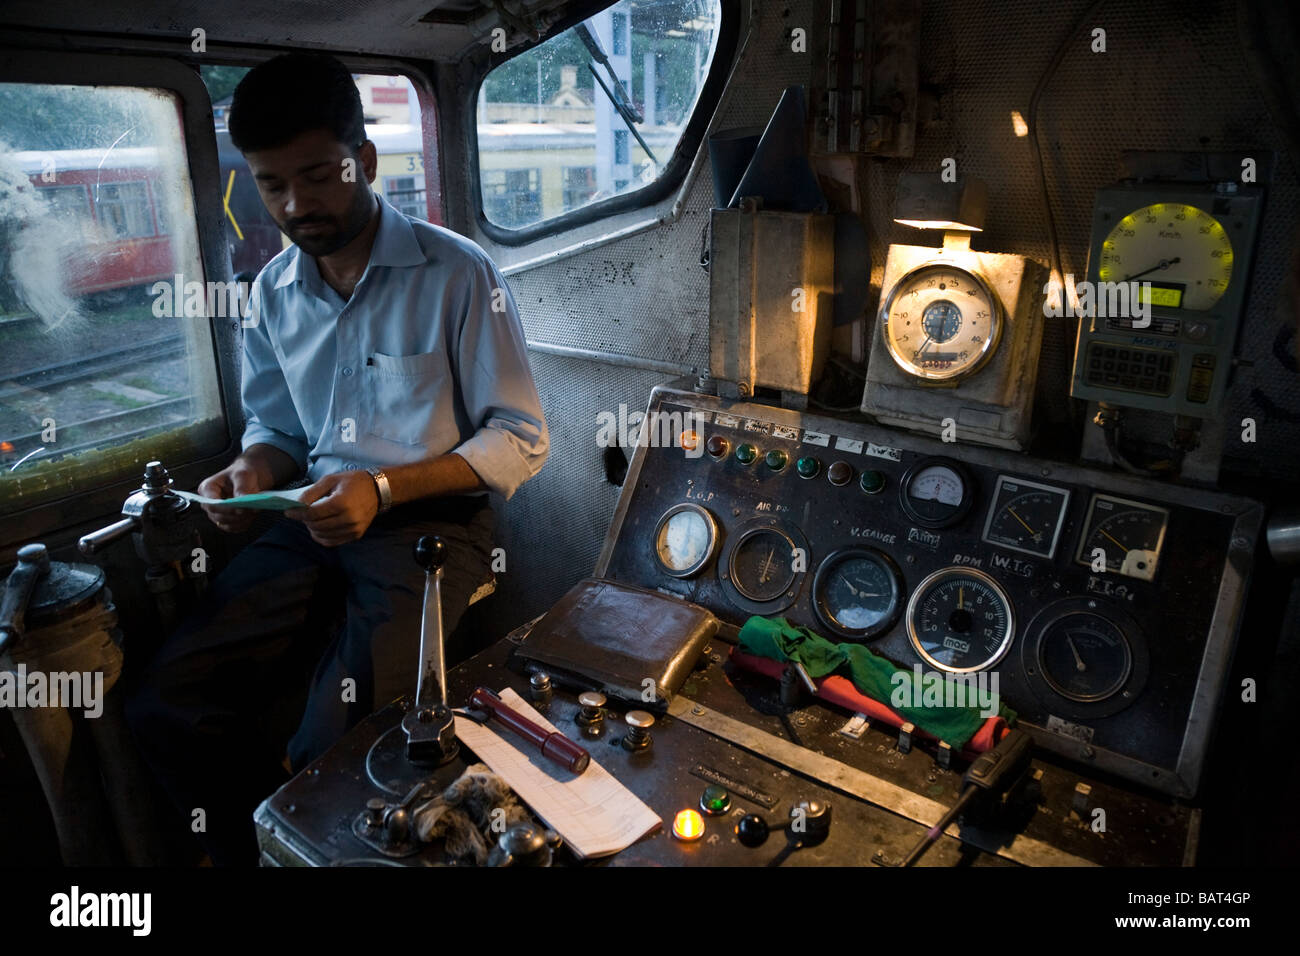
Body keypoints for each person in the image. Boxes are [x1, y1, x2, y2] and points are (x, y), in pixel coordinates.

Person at [126, 52, 548, 865]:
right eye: (271, 183)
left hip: (433, 524)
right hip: (310, 517)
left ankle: (313, 813)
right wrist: (249, 474)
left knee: (339, 742)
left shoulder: (457, 272)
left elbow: (520, 437)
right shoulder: (273, 294)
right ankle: (266, 844)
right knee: (162, 704)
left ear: (366, 161)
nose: (295, 205)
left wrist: (384, 487)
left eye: (318, 176)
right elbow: (277, 430)